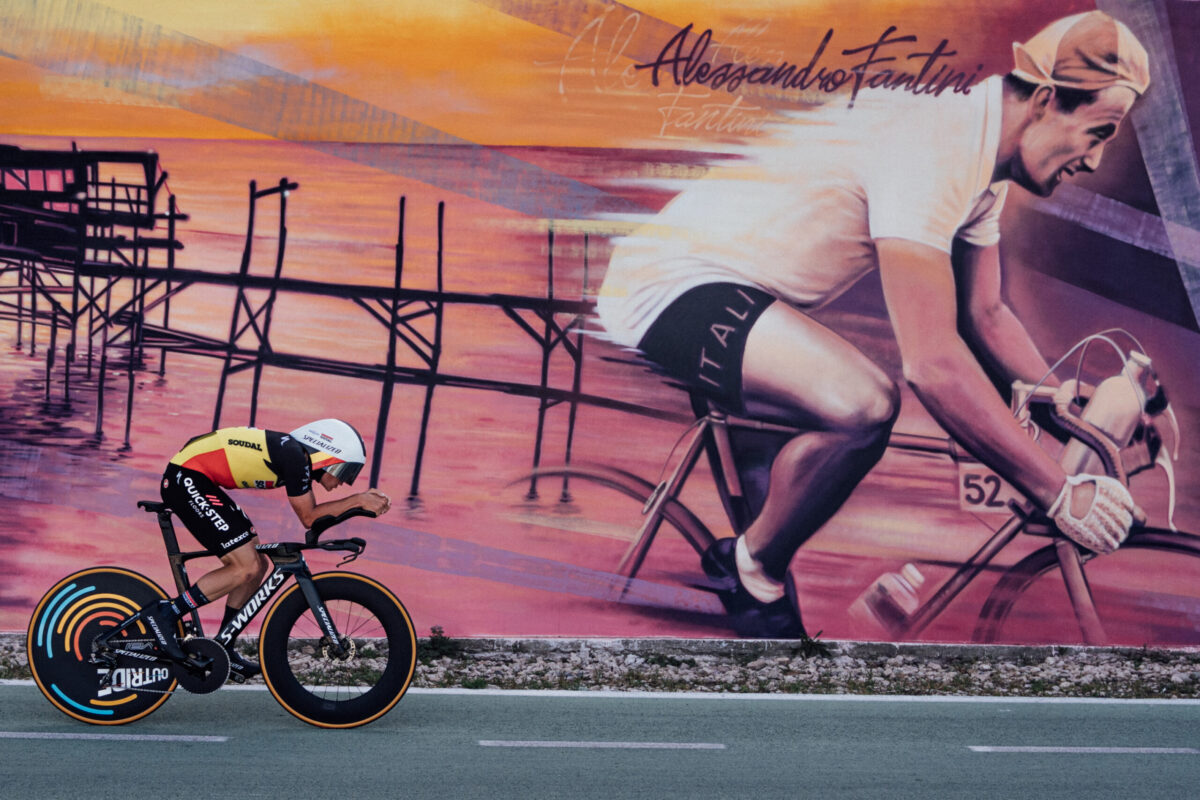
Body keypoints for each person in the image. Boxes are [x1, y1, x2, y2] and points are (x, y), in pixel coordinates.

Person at [596, 11, 1151, 637]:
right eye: (1097, 132)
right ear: (1046, 100)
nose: (1097, 161)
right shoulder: (935, 143)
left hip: (735, 290)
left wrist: (1055, 398)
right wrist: (1057, 492)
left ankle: (759, 597)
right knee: (863, 404)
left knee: (814, 486)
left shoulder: (980, 162)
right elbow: (933, 365)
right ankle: (745, 568)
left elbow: (984, 314)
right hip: (671, 284)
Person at [140, 418, 391, 678]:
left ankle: (223, 644)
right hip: (187, 477)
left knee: (257, 565)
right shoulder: (296, 457)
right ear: (328, 456)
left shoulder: (295, 456)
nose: (344, 481)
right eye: (345, 471)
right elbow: (309, 517)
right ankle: (166, 613)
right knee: (245, 565)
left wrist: (355, 506)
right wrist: (357, 501)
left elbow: (313, 520)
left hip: (198, 478)